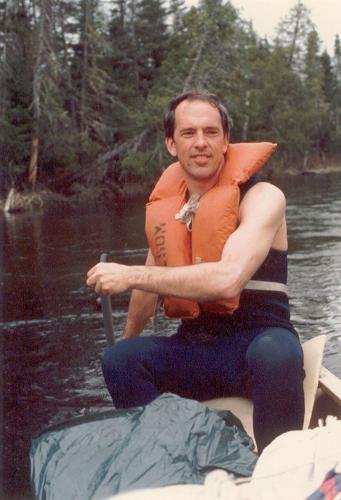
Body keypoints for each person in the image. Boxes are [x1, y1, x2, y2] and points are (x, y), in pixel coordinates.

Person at [86, 89, 305, 454]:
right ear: (172, 144)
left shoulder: (264, 197)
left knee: (276, 354)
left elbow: (228, 279)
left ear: (226, 141)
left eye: (211, 132)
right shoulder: (171, 209)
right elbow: (147, 289)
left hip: (258, 344)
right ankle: (169, 461)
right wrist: (128, 339)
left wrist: (129, 275)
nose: (200, 143)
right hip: (196, 350)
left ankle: (278, 470)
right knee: (120, 360)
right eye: (189, 133)